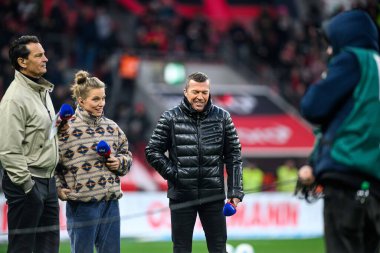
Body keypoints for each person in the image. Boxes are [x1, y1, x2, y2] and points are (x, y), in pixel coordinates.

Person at [298, 10, 380, 253]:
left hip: (346, 179)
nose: (329, 51)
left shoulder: (352, 59)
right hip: (374, 186)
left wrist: (318, 163)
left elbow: (313, 107)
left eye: (331, 44)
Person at [145, 72, 244, 253]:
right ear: (185, 92)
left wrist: (235, 190)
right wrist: (176, 175)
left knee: (219, 248)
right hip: (181, 196)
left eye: (204, 92)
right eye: (195, 91)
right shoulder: (170, 118)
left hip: (213, 196)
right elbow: (152, 151)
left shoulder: (223, 117)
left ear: (209, 92)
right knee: (181, 249)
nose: (200, 96)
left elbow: (234, 155)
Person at [55, 70, 133, 253]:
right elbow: (51, 163)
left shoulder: (112, 127)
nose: (101, 103)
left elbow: (127, 155)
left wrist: (119, 162)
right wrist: (58, 188)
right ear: (81, 101)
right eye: (96, 99)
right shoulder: (66, 129)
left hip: (110, 203)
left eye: (103, 98)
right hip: (82, 204)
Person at [0, 35, 60, 253]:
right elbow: (8, 150)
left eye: (44, 54)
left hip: (48, 181)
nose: (45, 59)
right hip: (27, 182)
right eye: (39, 55)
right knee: (22, 249)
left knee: (48, 248)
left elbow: (41, 135)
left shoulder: (41, 91)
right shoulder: (14, 99)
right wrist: (28, 186)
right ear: (22, 62)